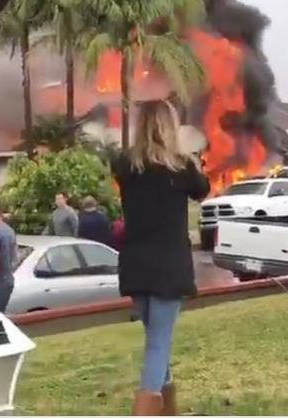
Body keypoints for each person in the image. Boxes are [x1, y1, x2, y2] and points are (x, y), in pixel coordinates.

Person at [113, 99, 210, 416]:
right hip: (168, 267)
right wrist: (193, 158)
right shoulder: (182, 167)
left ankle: (167, 411)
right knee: (158, 343)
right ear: (170, 127)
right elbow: (202, 190)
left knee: (157, 341)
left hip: (135, 266)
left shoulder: (125, 165)